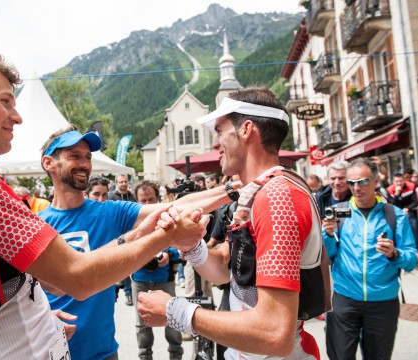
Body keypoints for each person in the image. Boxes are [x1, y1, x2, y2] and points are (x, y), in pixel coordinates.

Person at [0, 49, 209, 360]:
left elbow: (48, 279)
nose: (18, 116)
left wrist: (36, 308)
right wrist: (163, 238)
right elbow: (76, 278)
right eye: (5, 102)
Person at [138, 87, 326, 359]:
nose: (215, 143)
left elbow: (275, 333)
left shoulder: (277, 197)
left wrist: (176, 311)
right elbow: (227, 271)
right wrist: (192, 245)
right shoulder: (259, 192)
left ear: (247, 130)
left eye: (220, 130)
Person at [38, 126, 242, 360]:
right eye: (74, 156)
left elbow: (173, 208)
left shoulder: (110, 212)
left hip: (103, 352)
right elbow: (24, 292)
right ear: (49, 163)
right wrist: (44, 319)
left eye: (87, 157)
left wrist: (233, 190)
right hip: (53, 352)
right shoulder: (36, 226)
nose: (84, 164)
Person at [322, 158, 418, 360]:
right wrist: (328, 235)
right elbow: (327, 257)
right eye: (352, 182)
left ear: (376, 181)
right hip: (345, 298)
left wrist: (394, 253)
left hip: (382, 302)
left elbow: (410, 260)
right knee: (339, 356)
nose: (356, 187)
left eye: (363, 181)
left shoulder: (394, 214)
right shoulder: (339, 212)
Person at [130, 181, 183, 360]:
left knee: (173, 319)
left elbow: (181, 246)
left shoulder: (169, 218)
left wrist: (169, 254)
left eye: (150, 199)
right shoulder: (131, 221)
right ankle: (145, 357)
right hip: (139, 278)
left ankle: (176, 356)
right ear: (136, 200)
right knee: (142, 324)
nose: (147, 204)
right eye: (142, 200)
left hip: (164, 278)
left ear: (157, 198)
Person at [109, 173, 137, 304]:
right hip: (118, 237)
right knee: (124, 264)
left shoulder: (133, 197)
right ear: (116, 183)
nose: (124, 184)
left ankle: (132, 290)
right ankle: (128, 292)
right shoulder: (112, 198)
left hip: (133, 236)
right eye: (121, 182)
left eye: (125, 182)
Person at [387, 172, 418, 251]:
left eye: (401, 181)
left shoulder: (411, 186)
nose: (399, 183)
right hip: (397, 216)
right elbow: (392, 205)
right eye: (397, 181)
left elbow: (415, 202)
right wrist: (396, 194)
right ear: (393, 182)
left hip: (409, 213)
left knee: (414, 228)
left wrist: (407, 208)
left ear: (404, 180)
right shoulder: (390, 190)